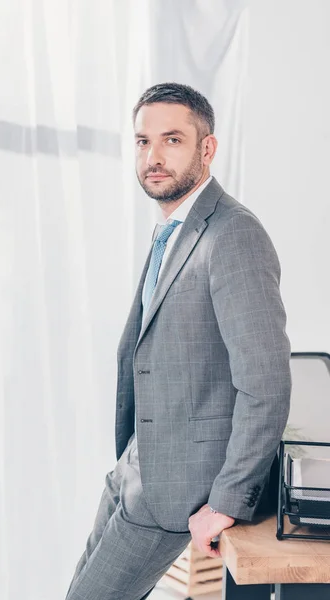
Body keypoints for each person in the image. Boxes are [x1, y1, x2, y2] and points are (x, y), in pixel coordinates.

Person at [65, 82, 291, 600]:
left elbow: (267, 381)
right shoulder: (174, 229)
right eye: (143, 142)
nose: (153, 157)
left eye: (171, 140)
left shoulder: (233, 233)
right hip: (135, 468)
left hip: (179, 485)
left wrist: (228, 500)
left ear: (206, 149)